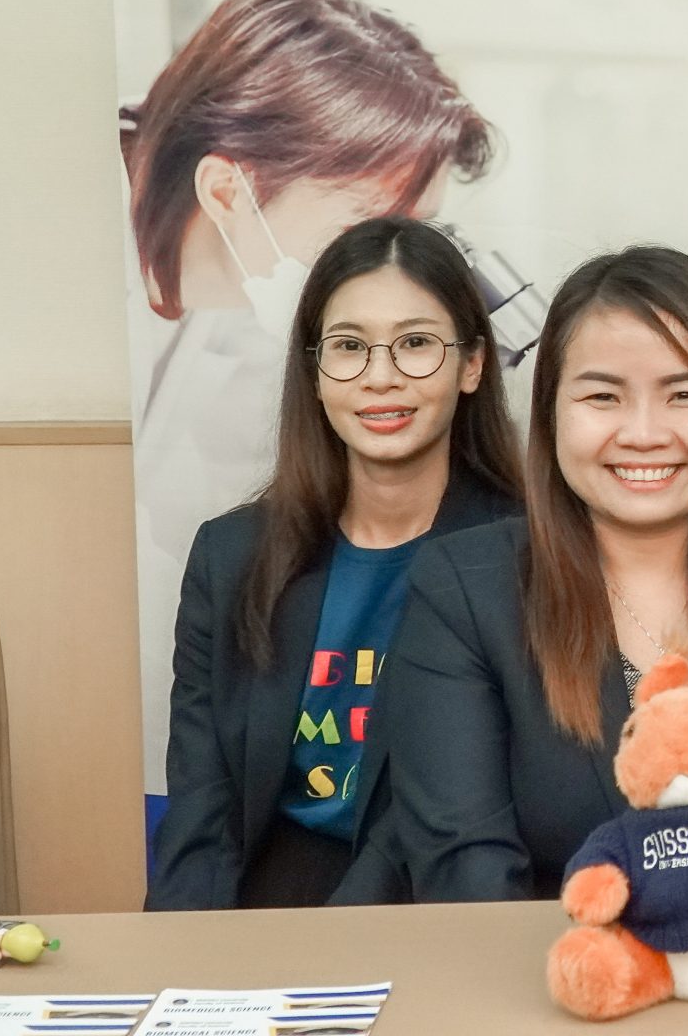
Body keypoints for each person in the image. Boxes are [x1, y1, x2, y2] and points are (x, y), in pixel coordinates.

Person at [343, 245, 688, 903]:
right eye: (602, 396)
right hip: (528, 961)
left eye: (684, 394)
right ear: (551, 411)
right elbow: (468, 879)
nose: (643, 433)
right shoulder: (465, 591)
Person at [120, 0, 496, 802]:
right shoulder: (95, 289)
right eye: (362, 228)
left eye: (417, 231)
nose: (392, 266)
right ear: (227, 193)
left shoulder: (240, 309)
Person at [148, 216, 521, 910]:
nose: (381, 377)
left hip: (441, 899)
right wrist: (184, 953)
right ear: (315, 371)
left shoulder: (523, 558)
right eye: (349, 347)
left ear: (472, 365)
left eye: (416, 343)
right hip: (271, 892)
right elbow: (202, 812)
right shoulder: (230, 558)